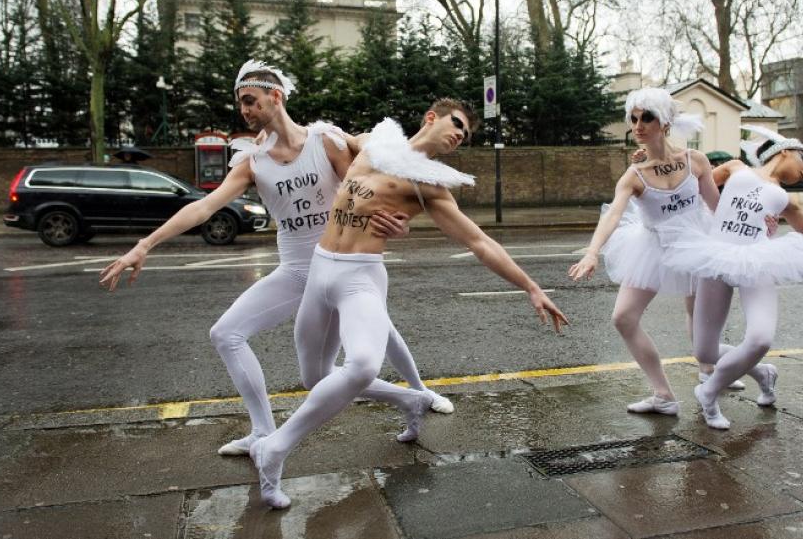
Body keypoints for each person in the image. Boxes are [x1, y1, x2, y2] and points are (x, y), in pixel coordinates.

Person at [98, 60, 453, 459]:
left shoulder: (326, 142)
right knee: (228, 335)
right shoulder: (252, 160)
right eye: (241, 105)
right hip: (295, 271)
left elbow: (371, 184)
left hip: (342, 265)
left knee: (377, 337)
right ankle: (263, 431)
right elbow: (205, 207)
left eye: (250, 101)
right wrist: (145, 244)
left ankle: (419, 392)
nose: (245, 111)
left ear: (276, 96)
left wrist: (399, 222)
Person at [249, 100, 568, 509]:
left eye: (466, 134)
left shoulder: (428, 186)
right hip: (319, 269)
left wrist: (531, 287)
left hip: (359, 278)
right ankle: (411, 399)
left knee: (362, 365)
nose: (460, 134)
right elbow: (317, 134)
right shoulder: (374, 141)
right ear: (431, 118)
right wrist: (271, 132)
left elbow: (479, 242)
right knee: (315, 379)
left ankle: (274, 450)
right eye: (457, 123)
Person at [665, 125, 803, 429]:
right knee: (703, 351)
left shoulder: (786, 201)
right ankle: (763, 374)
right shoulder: (735, 168)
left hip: (758, 263)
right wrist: (652, 163)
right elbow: (689, 192)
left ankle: (709, 392)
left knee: (760, 339)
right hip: (715, 258)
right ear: (785, 151)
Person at [568, 88, 720, 416]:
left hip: (698, 244)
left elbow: (717, 208)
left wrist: (750, 228)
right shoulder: (634, 175)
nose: (638, 125)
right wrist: (592, 252)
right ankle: (663, 394)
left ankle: (713, 373)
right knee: (623, 317)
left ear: (664, 122)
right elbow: (612, 214)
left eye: (647, 117)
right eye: (634, 119)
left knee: (699, 321)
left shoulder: (696, 161)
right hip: (654, 247)